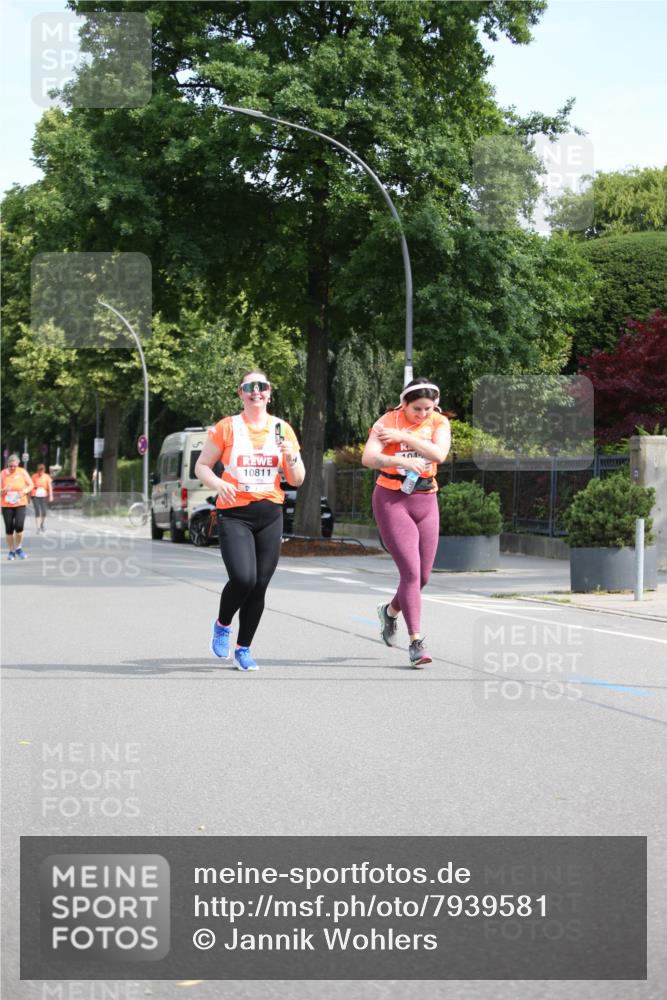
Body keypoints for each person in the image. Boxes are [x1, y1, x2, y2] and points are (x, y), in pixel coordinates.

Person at [194, 370, 306, 671]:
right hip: (234, 514)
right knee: (244, 578)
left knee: (259, 586)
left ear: (269, 392)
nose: (256, 391)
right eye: (249, 387)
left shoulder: (283, 430)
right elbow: (201, 466)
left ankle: (244, 649)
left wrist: (291, 457)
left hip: (269, 514)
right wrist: (218, 484)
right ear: (241, 393)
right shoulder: (226, 428)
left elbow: (297, 480)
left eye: (262, 386)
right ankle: (222, 624)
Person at [362, 378, 451, 667]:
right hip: (391, 498)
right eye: (417, 409)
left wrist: (405, 438)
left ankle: (389, 611)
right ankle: (416, 642)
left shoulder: (438, 423)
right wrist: (396, 460)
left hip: (426, 498)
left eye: (428, 408)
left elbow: (439, 454)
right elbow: (368, 457)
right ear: (404, 403)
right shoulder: (386, 421)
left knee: (423, 576)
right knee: (411, 573)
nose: (423, 414)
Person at [1, 454, 34, 561]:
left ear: (18, 464)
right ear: (7, 465)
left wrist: (24, 491)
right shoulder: (3, 473)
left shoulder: (22, 472)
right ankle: (12, 551)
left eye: (14, 466)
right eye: (10, 466)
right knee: (9, 528)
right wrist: (3, 490)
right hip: (6, 504)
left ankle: (19, 548)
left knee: (19, 526)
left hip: (20, 503)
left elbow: (31, 485)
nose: (12, 468)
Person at [31, 463, 53, 533]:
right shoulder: (34, 476)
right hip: (35, 495)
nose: (40, 472)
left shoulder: (47, 477)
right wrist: (28, 496)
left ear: (44, 470)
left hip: (44, 495)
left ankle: (42, 524)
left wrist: (51, 495)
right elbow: (31, 486)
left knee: (44, 512)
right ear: (38, 470)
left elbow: (49, 486)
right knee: (37, 511)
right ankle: (38, 527)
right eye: (39, 471)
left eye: (42, 471)